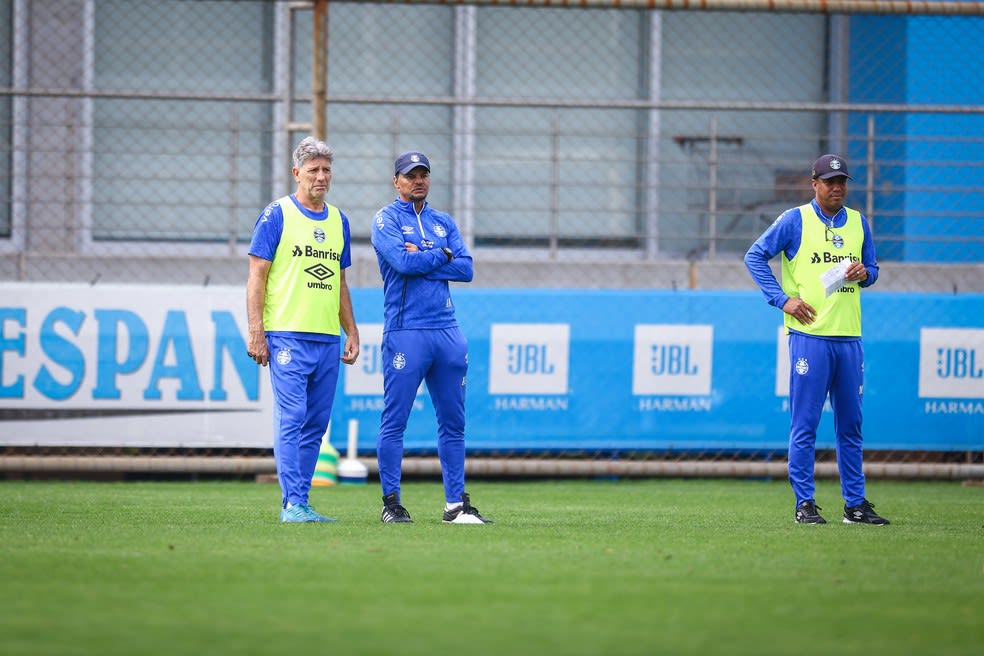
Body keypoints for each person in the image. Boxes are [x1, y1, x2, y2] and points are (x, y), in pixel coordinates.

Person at [744, 154, 889, 526]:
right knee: (805, 423)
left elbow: (872, 269)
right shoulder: (795, 220)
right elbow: (754, 256)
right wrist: (783, 300)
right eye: (829, 181)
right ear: (814, 184)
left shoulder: (858, 223)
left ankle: (855, 505)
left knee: (850, 426)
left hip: (848, 336)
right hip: (809, 336)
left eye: (842, 181)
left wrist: (863, 273)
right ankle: (804, 503)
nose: (837, 187)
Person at [370, 151, 492, 524]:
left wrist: (426, 254)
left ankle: (455, 504)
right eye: (410, 175)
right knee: (396, 420)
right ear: (397, 181)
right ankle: (391, 503)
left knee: (454, 422)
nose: (418, 180)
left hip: (447, 332)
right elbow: (403, 264)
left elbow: (467, 269)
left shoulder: (443, 221)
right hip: (407, 331)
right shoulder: (385, 219)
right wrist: (441, 254)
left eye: (423, 174)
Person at [246, 136, 360, 523]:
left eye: (327, 170)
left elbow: (340, 282)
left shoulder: (338, 220)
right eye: (313, 170)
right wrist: (256, 331)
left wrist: (352, 331)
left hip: (326, 337)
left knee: (316, 423)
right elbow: (256, 277)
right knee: (292, 415)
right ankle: (292, 504)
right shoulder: (276, 214)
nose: (321, 176)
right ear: (297, 173)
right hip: (287, 335)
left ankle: (300, 500)